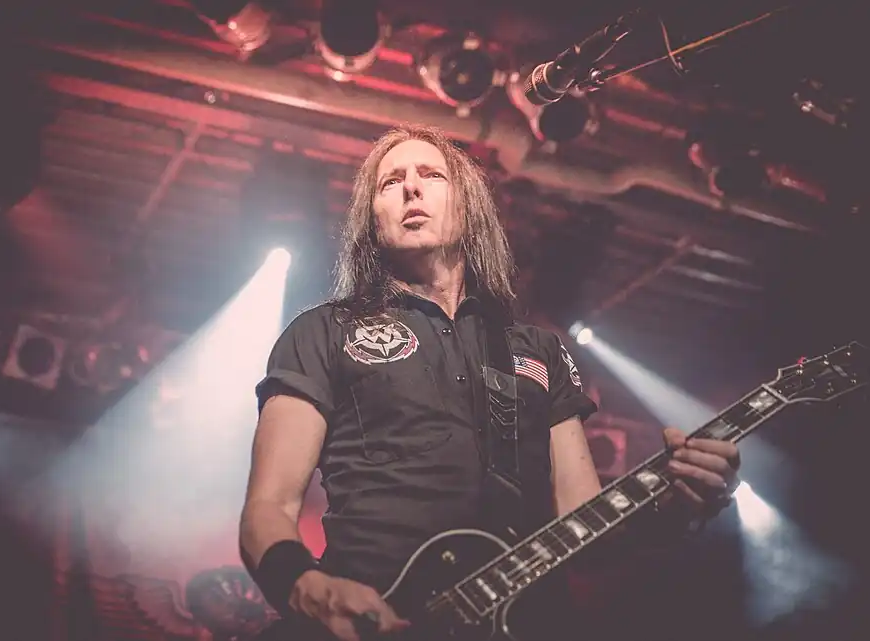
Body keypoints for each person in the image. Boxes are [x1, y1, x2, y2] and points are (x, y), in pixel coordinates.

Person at [238, 125, 741, 641]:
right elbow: (269, 506)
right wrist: (305, 585)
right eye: (390, 182)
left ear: (469, 207)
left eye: (431, 175)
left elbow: (586, 528)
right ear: (372, 218)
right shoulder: (323, 332)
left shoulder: (540, 351)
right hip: (366, 620)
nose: (411, 187)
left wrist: (675, 505)